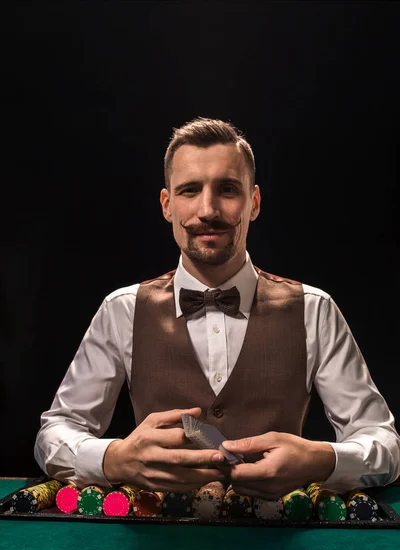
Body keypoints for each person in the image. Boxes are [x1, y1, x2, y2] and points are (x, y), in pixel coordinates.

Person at [34, 117, 400, 500]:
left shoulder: (314, 309)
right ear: (167, 205)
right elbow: (54, 433)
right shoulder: (121, 310)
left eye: (227, 189)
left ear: (253, 202)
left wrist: (321, 459)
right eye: (189, 190)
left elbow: (385, 445)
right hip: (158, 543)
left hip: (279, 542)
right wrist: (114, 458)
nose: (208, 210)